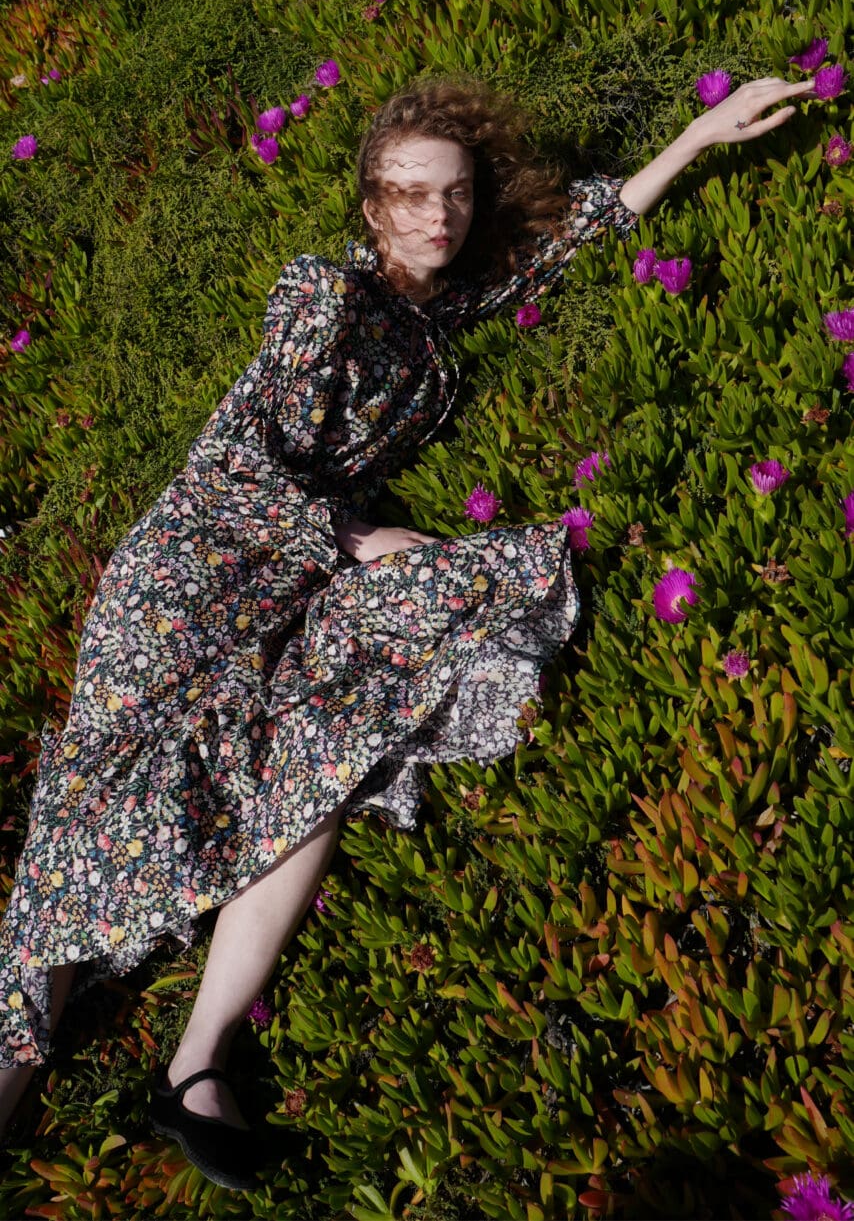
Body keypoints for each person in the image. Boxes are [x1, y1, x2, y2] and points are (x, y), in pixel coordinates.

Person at [0, 73, 814, 1190]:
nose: (440, 216)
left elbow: (571, 240)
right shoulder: (323, 295)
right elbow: (233, 466)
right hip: (198, 570)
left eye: (458, 193)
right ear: (371, 204)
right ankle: (13, 1068)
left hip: (297, 575)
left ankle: (194, 1064)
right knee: (104, 798)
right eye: (412, 195)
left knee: (325, 749)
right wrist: (353, 536)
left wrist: (698, 136)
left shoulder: (434, 308)